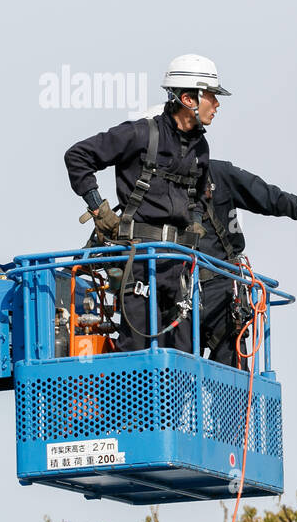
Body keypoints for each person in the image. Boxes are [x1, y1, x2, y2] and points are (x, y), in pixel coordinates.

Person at [64, 54, 227, 353]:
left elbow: (198, 197)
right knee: (137, 350)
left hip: (178, 266)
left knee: (182, 352)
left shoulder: (200, 148)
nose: (217, 105)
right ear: (189, 98)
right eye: (212, 97)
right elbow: (77, 156)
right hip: (139, 262)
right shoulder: (140, 133)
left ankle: (174, 401)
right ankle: (131, 400)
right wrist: (99, 209)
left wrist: (193, 223)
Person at [197, 158, 297, 366]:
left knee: (232, 378)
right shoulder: (158, 179)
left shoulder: (217, 174)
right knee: (169, 376)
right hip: (176, 288)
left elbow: (266, 195)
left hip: (222, 290)